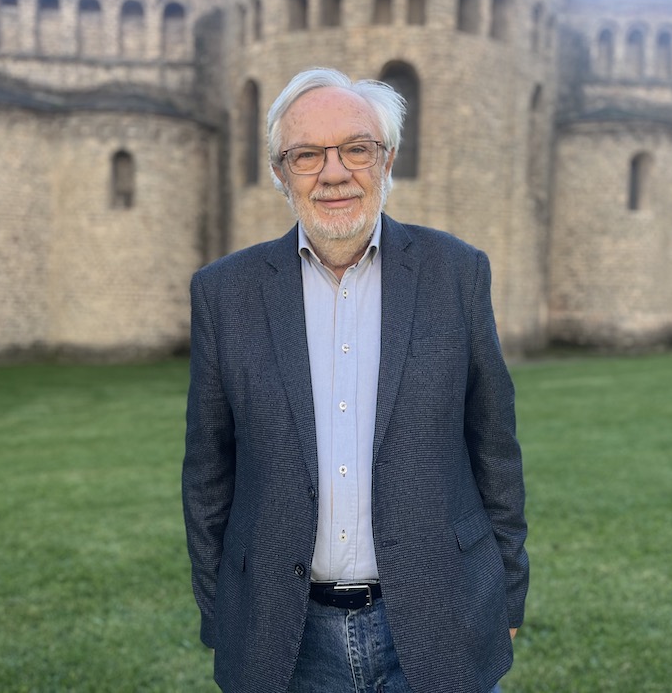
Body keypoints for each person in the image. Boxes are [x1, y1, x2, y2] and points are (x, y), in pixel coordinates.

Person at [182, 67, 528, 693]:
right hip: (283, 638)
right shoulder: (225, 293)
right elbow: (208, 474)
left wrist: (504, 594)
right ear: (281, 173)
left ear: (386, 159)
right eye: (307, 155)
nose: (334, 173)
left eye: (356, 149)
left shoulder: (456, 273)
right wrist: (223, 612)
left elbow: (495, 451)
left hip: (441, 619)